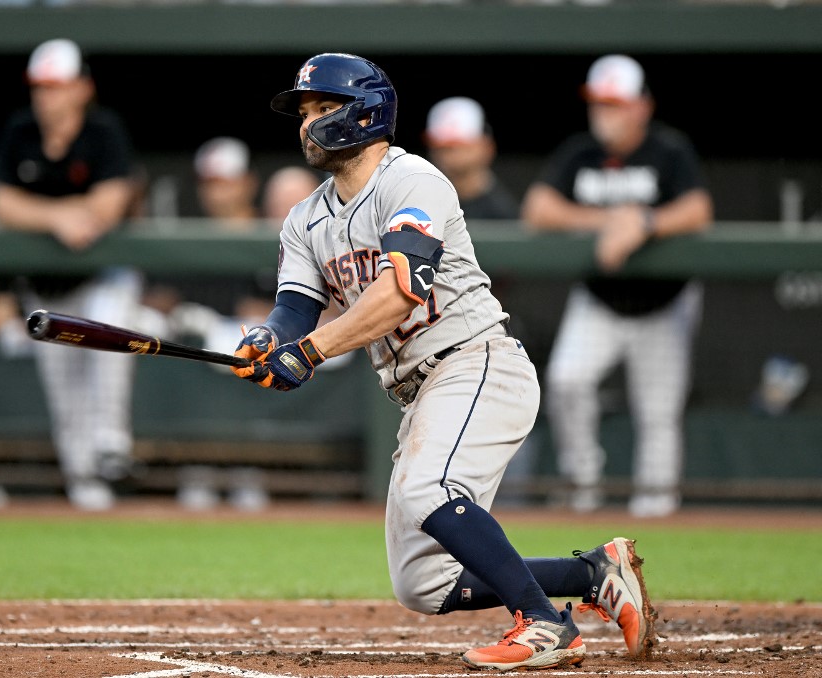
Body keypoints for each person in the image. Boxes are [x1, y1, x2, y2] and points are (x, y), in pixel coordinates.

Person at [229, 52, 655, 672]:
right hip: (419, 393)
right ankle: (593, 574)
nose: (307, 123)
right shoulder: (304, 219)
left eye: (324, 108)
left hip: (476, 363)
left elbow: (401, 291)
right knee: (423, 586)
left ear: (365, 113)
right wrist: (270, 342)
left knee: (430, 487)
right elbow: (295, 308)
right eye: (304, 112)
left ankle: (542, 624)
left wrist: (312, 351)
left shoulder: (414, 181)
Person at [519, 54, 714, 518]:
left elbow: (698, 210)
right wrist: (611, 220)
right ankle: (582, 482)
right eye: (599, 102)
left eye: (615, 103)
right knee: (567, 382)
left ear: (641, 106)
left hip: (664, 303)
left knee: (658, 414)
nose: (604, 112)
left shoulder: (669, 150)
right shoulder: (580, 152)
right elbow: (538, 208)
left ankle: (657, 512)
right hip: (601, 301)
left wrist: (644, 222)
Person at [0, 37, 144, 511]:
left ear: (81, 88)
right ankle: (86, 490)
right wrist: (58, 217)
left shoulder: (102, 130)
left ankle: (112, 440)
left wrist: (45, 211)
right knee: (66, 397)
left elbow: (111, 203)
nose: (46, 96)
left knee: (110, 323)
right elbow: (1, 204)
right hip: (47, 286)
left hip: (102, 277)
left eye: (56, 86)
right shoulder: (20, 131)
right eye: (40, 87)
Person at [423, 96, 519, 221]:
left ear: (486, 146)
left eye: (460, 146)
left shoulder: (505, 213)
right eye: (441, 147)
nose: (448, 155)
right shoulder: (417, 202)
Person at [192, 136, 261, 229]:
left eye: (224, 184)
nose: (215, 195)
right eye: (208, 185)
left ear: (249, 182)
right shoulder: (193, 234)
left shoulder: (279, 231)